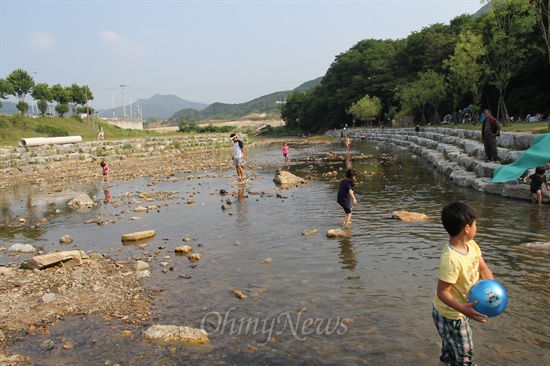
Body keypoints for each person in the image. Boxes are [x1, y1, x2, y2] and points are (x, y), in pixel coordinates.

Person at [432, 202, 494, 366]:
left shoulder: (471, 246)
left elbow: (483, 268)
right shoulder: (451, 259)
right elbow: (443, 293)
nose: (477, 227)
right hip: (449, 314)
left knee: (449, 351)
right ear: (467, 228)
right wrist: (463, 309)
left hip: (459, 310)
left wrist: (490, 287)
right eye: (475, 224)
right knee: (465, 356)